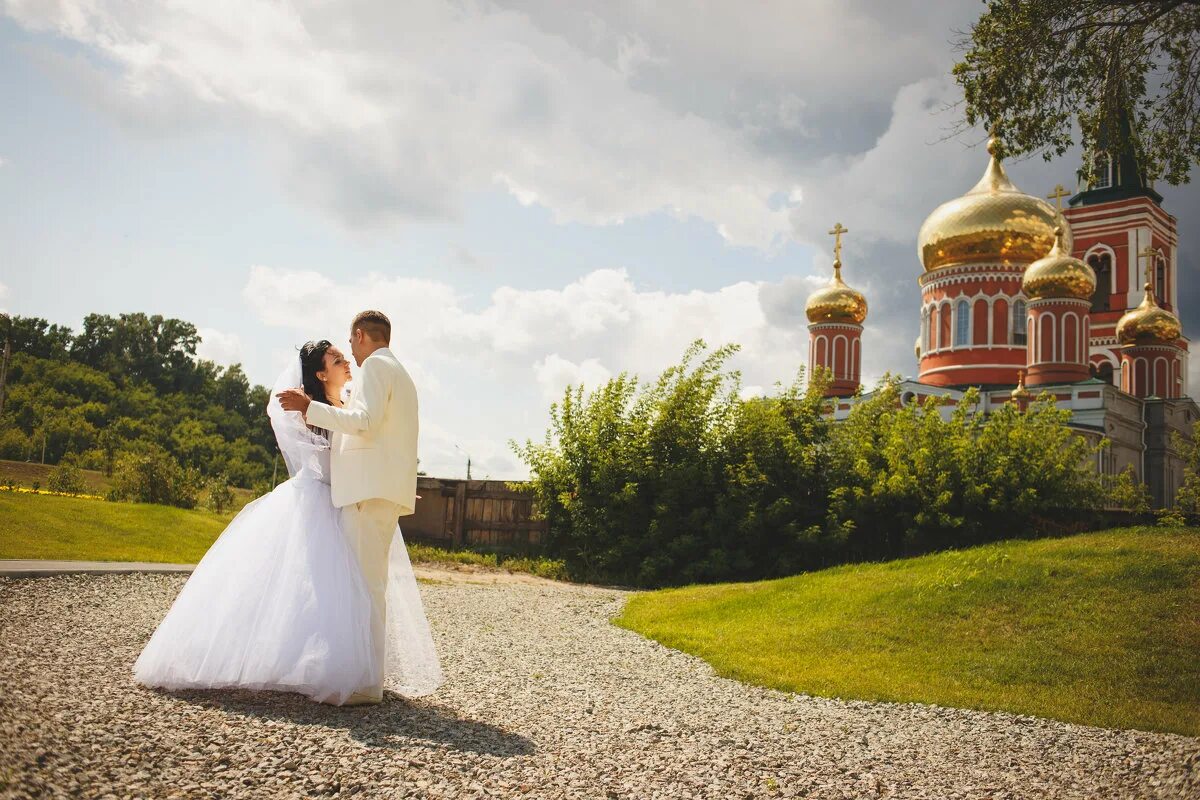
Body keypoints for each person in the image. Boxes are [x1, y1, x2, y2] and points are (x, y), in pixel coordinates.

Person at [133, 338, 441, 706]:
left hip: (348, 501)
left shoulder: (345, 407)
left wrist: (381, 478)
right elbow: (328, 462)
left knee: (344, 592)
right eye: (336, 359)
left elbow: (367, 447)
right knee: (311, 591)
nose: (346, 362)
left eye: (345, 355)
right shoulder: (314, 412)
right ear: (320, 373)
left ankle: (342, 668)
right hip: (318, 502)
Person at [276, 310, 423, 705]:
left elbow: (366, 422)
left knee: (365, 590)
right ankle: (363, 677)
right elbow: (393, 439)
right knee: (370, 588)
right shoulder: (400, 373)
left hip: (365, 496)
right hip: (380, 492)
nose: (351, 358)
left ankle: (364, 685)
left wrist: (310, 407)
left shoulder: (377, 365)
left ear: (360, 336)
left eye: (349, 344)